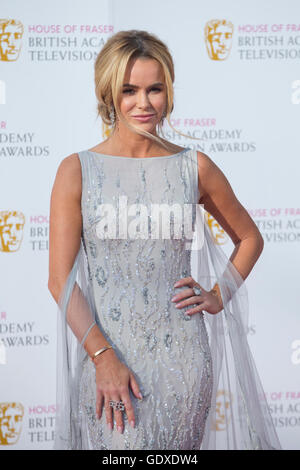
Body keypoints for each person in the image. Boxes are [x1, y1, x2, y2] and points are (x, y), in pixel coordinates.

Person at [48, 30, 281, 450]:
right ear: (107, 92)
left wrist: (218, 293)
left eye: (155, 89)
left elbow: (249, 238)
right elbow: (60, 282)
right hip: (106, 357)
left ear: (168, 91)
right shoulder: (76, 170)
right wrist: (103, 357)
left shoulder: (195, 167)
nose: (144, 102)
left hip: (183, 364)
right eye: (129, 90)